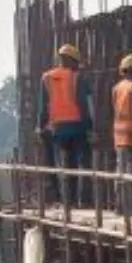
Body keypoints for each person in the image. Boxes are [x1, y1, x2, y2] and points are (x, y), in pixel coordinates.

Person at [39, 43, 94, 207]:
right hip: (78, 127)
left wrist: (40, 127)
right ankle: (82, 202)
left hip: (57, 129)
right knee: (81, 165)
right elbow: (86, 105)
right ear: (72, 60)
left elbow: (43, 106)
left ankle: (66, 202)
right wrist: (91, 127)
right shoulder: (79, 77)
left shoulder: (46, 77)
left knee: (63, 165)